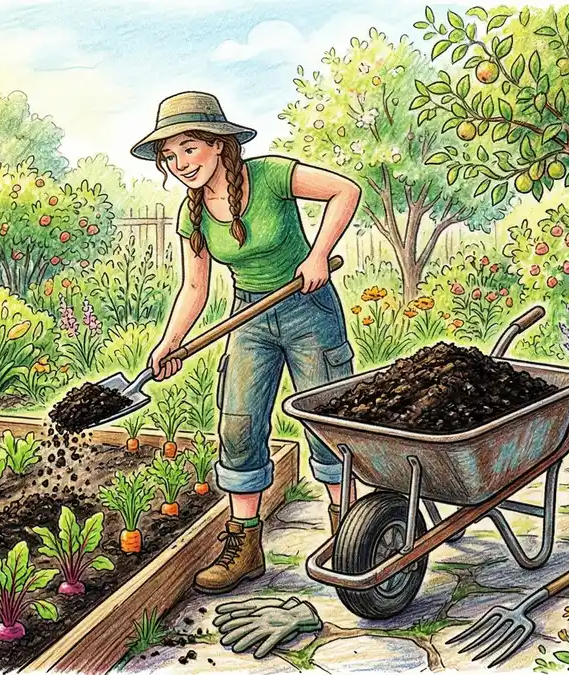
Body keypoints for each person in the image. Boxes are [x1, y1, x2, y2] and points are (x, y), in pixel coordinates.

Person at [130, 91, 362, 594]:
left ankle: (348, 531)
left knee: (325, 421)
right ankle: (246, 545)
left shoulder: (272, 176)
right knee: (237, 425)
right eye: (169, 156)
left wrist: (319, 254)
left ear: (218, 144)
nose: (180, 163)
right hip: (249, 317)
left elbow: (346, 190)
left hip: (307, 309)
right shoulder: (191, 215)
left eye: (188, 148)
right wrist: (169, 344)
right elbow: (195, 287)